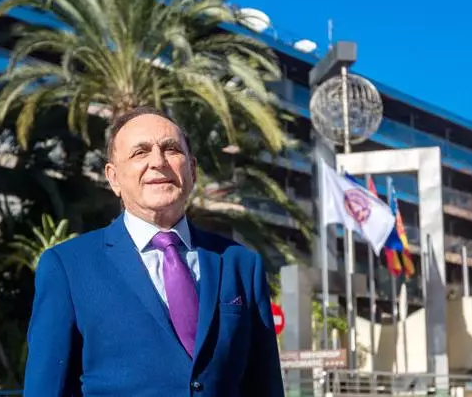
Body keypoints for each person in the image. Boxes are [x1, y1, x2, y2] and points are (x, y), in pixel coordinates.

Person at [23, 106, 284, 396]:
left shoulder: (240, 265)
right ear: (113, 177)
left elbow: (266, 386)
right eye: (140, 152)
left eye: (171, 149)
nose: (158, 161)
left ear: (192, 170)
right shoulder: (68, 267)